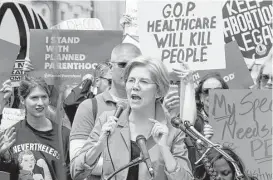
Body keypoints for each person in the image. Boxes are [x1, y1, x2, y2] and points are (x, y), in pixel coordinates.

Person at [70, 56, 193, 180]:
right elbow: (76, 172)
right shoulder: (108, 119)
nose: (135, 86)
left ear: (159, 91)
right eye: (131, 80)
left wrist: (164, 149)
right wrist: (99, 145)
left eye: (144, 82)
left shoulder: (173, 130)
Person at [69, 43, 142, 180]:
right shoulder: (89, 107)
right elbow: (76, 165)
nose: (128, 70)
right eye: (122, 64)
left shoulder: (149, 106)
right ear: (110, 67)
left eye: (135, 65)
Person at [0, 76, 71, 180]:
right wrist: (4, 157)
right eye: (34, 98)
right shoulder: (11, 135)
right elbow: (7, 174)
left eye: (44, 97)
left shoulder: (64, 135)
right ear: (22, 100)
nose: (40, 103)